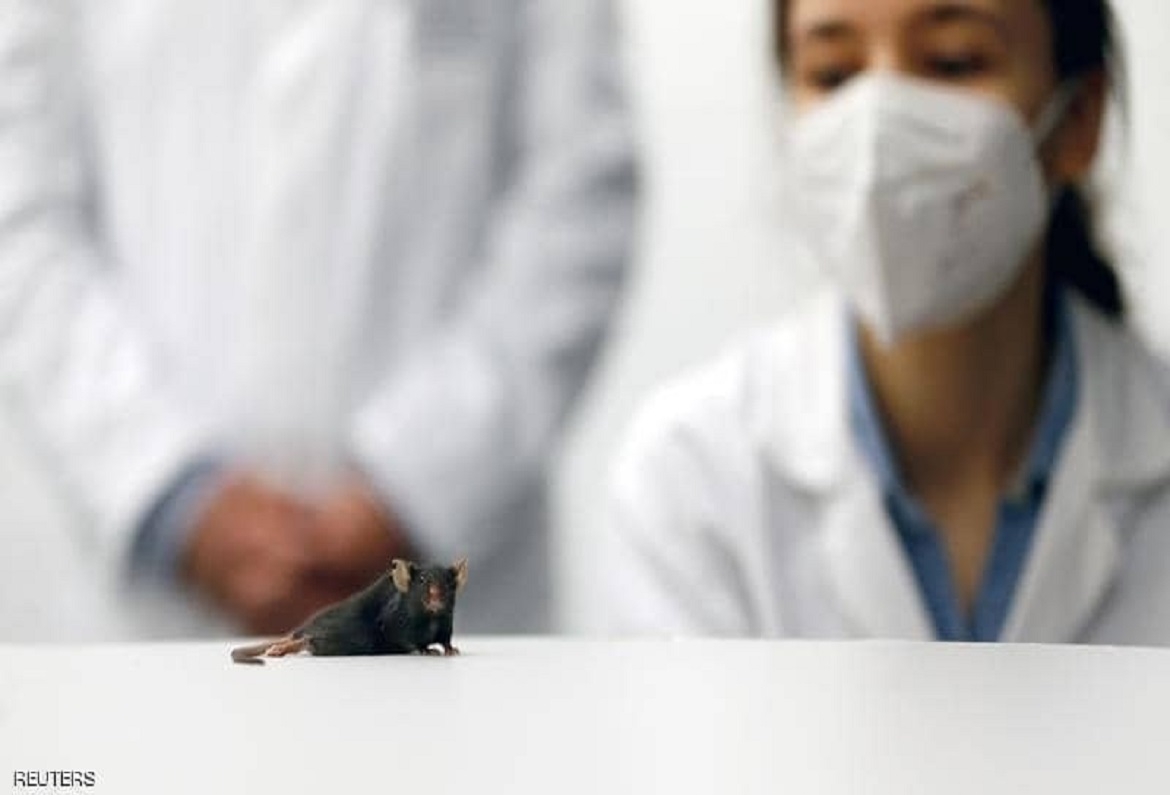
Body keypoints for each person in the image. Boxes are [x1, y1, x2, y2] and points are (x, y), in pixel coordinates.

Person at [0, 0, 636, 640]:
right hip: (157, 597)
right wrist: (175, 494)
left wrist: (412, 487)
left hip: (449, 578)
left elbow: (579, 188)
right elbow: (21, 211)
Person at [602, 0, 1170, 645]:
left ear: (1079, 117)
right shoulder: (692, 479)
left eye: (953, 62)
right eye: (833, 74)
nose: (877, 131)